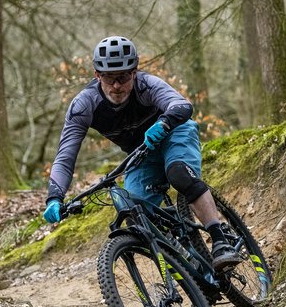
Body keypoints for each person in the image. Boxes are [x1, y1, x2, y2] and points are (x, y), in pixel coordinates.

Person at [42, 36, 238, 271]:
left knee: (179, 174)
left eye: (123, 77)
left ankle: (219, 239)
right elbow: (65, 156)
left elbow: (182, 105)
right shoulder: (84, 105)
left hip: (174, 133)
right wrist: (55, 196)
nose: (116, 86)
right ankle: (183, 258)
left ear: (134, 72)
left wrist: (164, 123)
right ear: (97, 75)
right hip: (140, 154)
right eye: (109, 78)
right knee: (134, 209)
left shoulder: (147, 85)